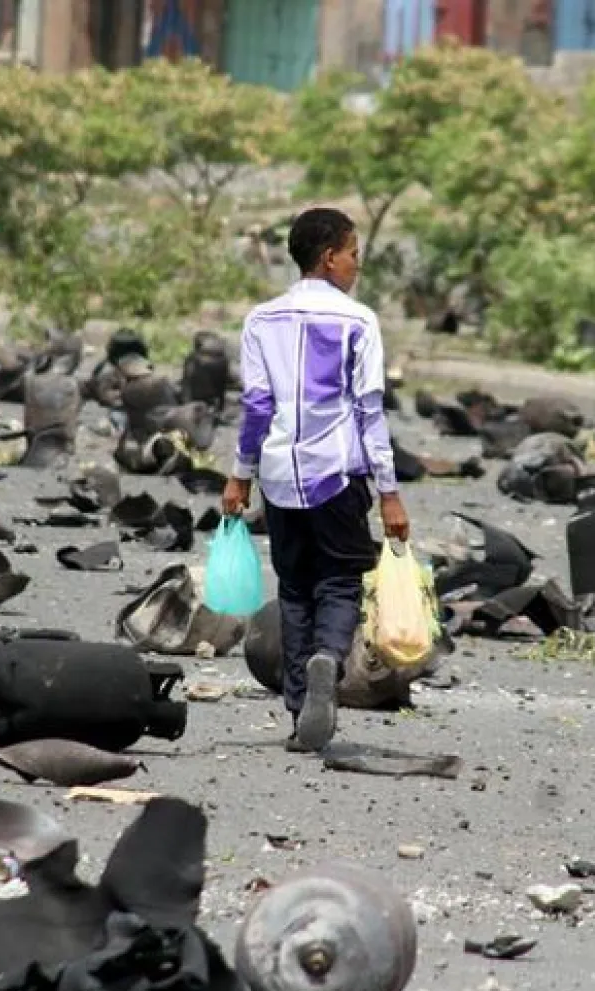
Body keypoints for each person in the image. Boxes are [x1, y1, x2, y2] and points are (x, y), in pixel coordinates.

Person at [222, 207, 410, 753]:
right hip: (338, 474)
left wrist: (240, 477)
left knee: (296, 587)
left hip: (279, 475)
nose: (356, 266)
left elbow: (257, 406)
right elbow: (370, 412)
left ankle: (301, 705)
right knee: (341, 582)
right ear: (329, 258)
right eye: (353, 254)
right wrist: (390, 493)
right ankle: (330, 655)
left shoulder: (262, 320)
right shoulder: (359, 321)